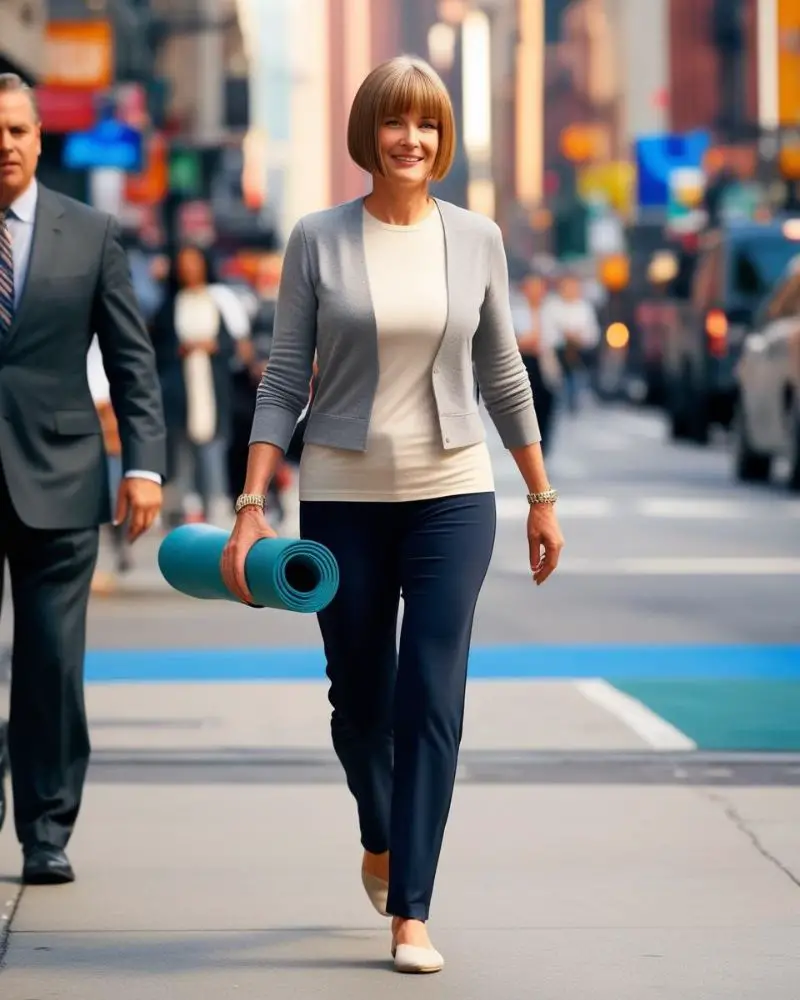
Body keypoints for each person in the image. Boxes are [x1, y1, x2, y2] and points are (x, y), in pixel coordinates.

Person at [222, 56, 564, 973]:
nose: (411, 140)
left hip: (454, 495)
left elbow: (503, 373)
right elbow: (285, 376)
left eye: (426, 125)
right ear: (369, 133)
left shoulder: (477, 238)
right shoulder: (317, 239)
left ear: (442, 138)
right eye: (394, 123)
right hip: (344, 497)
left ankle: (411, 909)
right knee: (360, 698)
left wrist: (538, 493)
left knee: (432, 698)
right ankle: (379, 830)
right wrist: (253, 502)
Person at [0, 73, 166, 884]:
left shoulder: (90, 232)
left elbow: (133, 360)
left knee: (51, 664)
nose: (5, 144)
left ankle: (46, 828)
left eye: (18, 131)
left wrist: (142, 465)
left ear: (38, 139)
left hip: (61, 475)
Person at [151, 245, 248, 527]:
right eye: (184, 264)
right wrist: (180, 350)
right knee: (179, 459)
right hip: (178, 396)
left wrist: (213, 346)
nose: (189, 269)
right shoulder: (168, 307)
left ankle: (214, 515)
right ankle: (179, 519)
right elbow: (157, 350)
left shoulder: (216, 301)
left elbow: (233, 346)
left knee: (212, 455)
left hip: (212, 394)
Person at [513, 271, 562, 454]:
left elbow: (555, 339)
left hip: (546, 364)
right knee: (526, 410)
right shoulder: (516, 313)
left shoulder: (552, 311)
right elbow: (517, 341)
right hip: (524, 365)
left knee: (546, 408)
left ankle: (543, 449)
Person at [540, 271, 600, 413]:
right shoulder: (552, 307)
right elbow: (547, 334)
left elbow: (592, 334)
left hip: (579, 356)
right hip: (557, 357)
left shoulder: (584, 308)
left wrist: (579, 338)